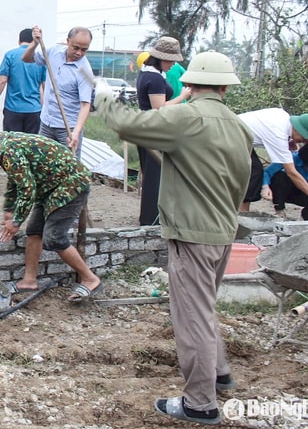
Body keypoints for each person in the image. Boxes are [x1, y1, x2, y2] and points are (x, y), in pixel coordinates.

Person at [95, 51, 253, 426]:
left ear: (189, 83)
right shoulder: (238, 126)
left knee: (191, 316)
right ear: (227, 87)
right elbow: (236, 181)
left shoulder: (186, 116)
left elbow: (127, 124)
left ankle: (200, 402)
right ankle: (219, 373)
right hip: (221, 231)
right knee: (204, 307)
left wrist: (101, 95)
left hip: (192, 234)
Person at [0, 124, 102, 301]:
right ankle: (29, 281)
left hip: (70, 185)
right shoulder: (6, 143)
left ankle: (90, 278)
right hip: (49, 187)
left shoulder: (7, 150)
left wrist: (16, 221)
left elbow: (27, 188)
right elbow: (15, 179)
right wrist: (9, 210)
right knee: (34, 231)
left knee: (54, 237)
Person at [136, 36, 191, 225]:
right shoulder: (154, 78)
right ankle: (152, 219)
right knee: (155, 176)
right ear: (161, 58)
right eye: (171, 60)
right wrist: (183, 96)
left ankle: (151, 217)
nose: (173, 64)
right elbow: (160, 107)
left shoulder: (147, 72)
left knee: (153, 174)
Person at [21, 25, 93, 155]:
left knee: (69, 168)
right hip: (46, 122)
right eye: (75, 48)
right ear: (68, 41)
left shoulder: (85, 71)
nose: (79, 53)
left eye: (84, 50)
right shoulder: (54, 52)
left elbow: (85, 105)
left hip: (68, 128)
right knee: (43, 163)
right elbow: (26, 58)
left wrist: (76, 133)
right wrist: (35, 43)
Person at [237, 108, 308, 214]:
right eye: (304, 138)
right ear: (297, 129)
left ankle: (241, 210)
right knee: (254, 171)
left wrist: (289, 141)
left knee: (254, 169)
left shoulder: (283, 117)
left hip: (237, 133)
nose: (304, 142)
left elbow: (263, 133)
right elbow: (292, 173)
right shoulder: (279, 134)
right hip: (231, 135)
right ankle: (242, 212)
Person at [0, 28, 46, 134]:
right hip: (34, 110)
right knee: (31, 146)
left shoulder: (10, 55)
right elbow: (45, 86)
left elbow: (2, 81)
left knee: (12, 146)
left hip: (13, 109)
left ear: (19, 41)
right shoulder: (40, 58)